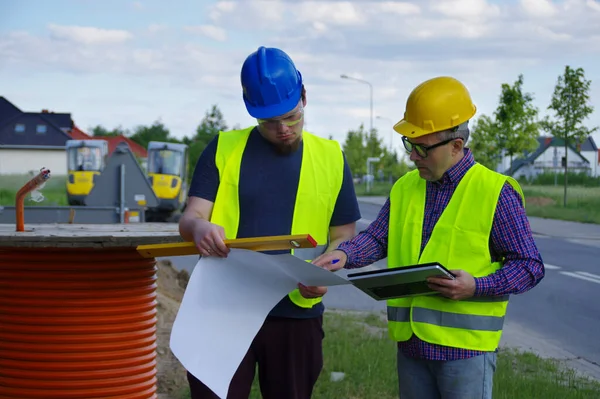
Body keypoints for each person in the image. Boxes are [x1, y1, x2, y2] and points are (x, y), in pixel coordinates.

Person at [309, 76, 546, 399]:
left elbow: (530, 265)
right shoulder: (406, 186)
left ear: (456, 146)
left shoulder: (495, 192)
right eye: (409, 144)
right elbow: (379, 238)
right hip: (412, 347)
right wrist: (344, 255)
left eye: (421, 147)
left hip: (464, 353)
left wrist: (477, 286)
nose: (412, 156)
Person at [178, 46, 361, 399]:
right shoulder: (222, 148)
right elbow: (192, 218)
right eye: (269, 121)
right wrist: (199, 229)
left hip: (295, 314)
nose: (282, 129)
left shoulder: (331, 158)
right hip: (221, 310)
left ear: (304, 97)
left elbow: (343, 236)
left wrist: (326, 271)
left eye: (291, 117)